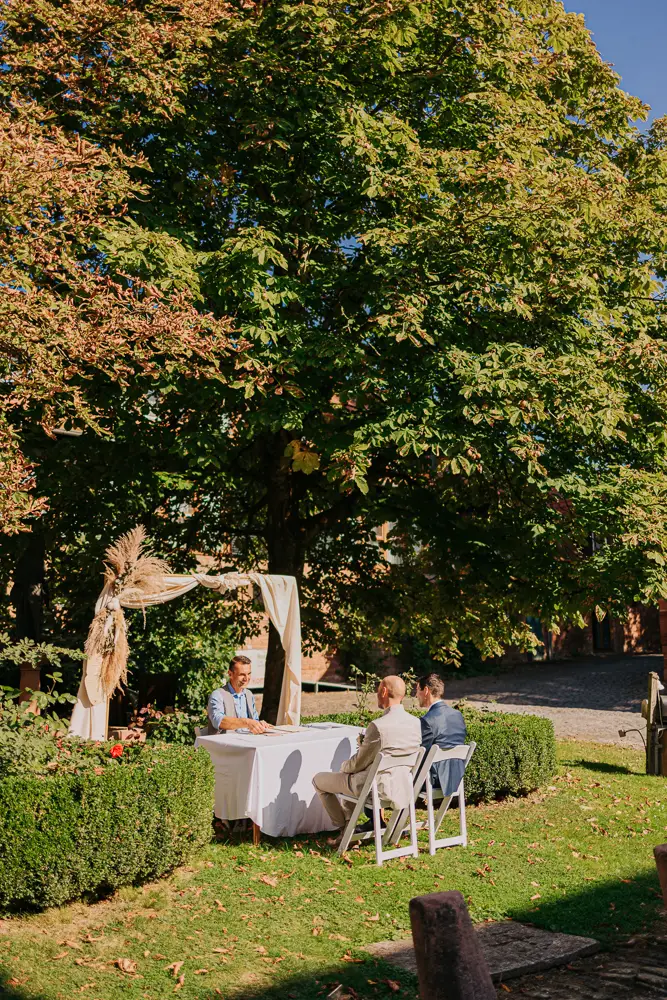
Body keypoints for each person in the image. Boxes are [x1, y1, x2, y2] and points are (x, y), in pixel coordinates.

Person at [312, 675, 421, 837]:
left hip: (373, 787)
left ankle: (344, 830)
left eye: (378, 690)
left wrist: (343, 767)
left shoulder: (378, 726)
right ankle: (350, 826)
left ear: (384, 691)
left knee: (318, 780)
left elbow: (357, 764)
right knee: (351, 774)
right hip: (401, 785)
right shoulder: (415, 722)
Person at [416, 672, 467, 797]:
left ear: (426, 690)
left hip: (434, 780)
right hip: (456, 777)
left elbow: (421, 754)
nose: (416, 695)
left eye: (417, 690)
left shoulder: (427, 720)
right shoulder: (457, 715)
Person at [207, 655, 272, 735]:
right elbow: (219, 721)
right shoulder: (218, 695)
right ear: (230, 674)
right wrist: (246, 722)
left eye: (249, 674)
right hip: (224, 744)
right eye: (242, 675)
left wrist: (259, 724)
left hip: (247, 741)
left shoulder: (249, 694)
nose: (246, 678)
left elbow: (254, 721)